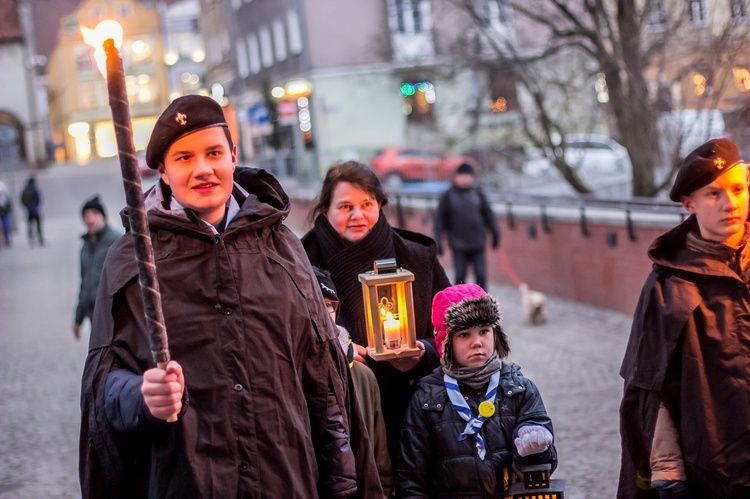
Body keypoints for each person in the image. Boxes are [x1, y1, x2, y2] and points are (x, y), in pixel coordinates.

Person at [79, 95, 381, 498]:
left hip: (287, 480)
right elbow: (104, 390)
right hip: (185, 482)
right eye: (184, 158)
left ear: (233, 156)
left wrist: (344, 489)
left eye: (213, 153)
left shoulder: (282, 249)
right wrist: (140, 396)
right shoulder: (132, 261)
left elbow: (323, 387)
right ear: (164, 173)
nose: (202, 169)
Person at [618, 138, 750, 498]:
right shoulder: (669, 286)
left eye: (738, 189)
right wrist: (667, 469)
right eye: (713, 194)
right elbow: (648, 388)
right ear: (689, 204)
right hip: (711, 471)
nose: (730, 204)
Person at [301, 160, 451, 462]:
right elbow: (288, 340)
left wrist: (423, 353)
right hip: (341, 416)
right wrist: (334, 351)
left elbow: (453, 333)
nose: (357, 215)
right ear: (324, 211)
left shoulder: (417, 257)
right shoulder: (300, 264)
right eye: (345, 207)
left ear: (381, 206)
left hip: (414, 410)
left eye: (366, 204)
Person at [396, 283, 557, 497]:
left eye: (484, 331)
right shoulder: (426, 400)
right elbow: (411, 480)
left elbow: (541, 470)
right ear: (446, 342)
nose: (477, 342)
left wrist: (535, 451)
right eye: (464, 335)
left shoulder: (519, 390)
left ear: (495, 334)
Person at [314, 266, 394, 498]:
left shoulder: (362, 375)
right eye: (314, 303)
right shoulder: (285, 373)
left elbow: (380, 460)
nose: (321, 311)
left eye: (328, 304)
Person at [434, 162, 499, 290]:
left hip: (477, 243)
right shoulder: (448, 196)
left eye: (468, 176)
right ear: (456, 177)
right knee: (460, 277)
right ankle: (461, 305)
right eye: (462, 175)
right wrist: (438, 243)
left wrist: (495, 235)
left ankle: (483, 304)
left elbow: (489, 216)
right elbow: (439, 221)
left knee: (481, 275)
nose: (465, 178)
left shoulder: (478, 194)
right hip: (458, 244)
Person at [73, 195, 120, 340]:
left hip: (114, 315)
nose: (91, 219)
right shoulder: (85, 247)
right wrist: (78, 319)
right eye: (87, 215)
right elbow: (84, 283)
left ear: (103, 216)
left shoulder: (116, 242)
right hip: (94, 315)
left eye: (94, 214)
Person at [20, 176, 43, 246]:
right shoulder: (34, 189)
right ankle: (40, 239)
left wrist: (27, 207)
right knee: (38, 225)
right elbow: (39, 199)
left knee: (30, 225)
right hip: (35, 211)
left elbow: (21, 200)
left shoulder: (25, 189)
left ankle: (31, 239)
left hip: (29, 211)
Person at [0, 180, 12, 247]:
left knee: (6, 226)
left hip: (4, 213)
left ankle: (7, 239)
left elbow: (9, 204)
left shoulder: (5, 199)